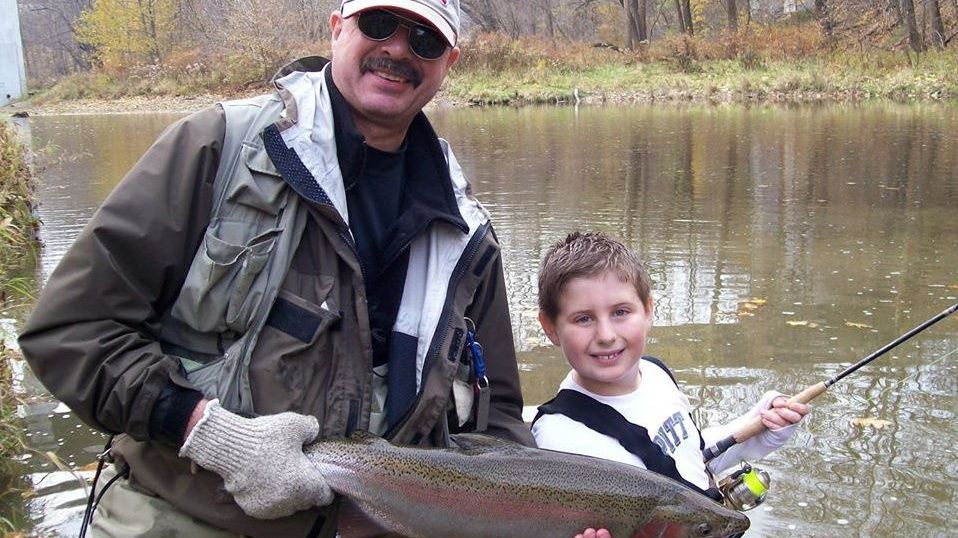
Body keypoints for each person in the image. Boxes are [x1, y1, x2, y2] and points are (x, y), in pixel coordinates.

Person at [18, 1, 534, 536]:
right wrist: (205, 431)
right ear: (337, 29)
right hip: (180, 518)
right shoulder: (216, 147)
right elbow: (72, 331)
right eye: (379, 24)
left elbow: (498, 424)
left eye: (424, 39)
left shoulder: (467, 229)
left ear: (449, 62)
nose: (398, 49)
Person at [531, 232, 810, 538]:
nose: (606, 334)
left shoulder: (655, 373)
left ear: (648, 310)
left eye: (620, 312)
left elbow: (686, 457)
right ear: (550, 328)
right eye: (584, 319)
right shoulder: (560, 438)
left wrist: (758, 430)